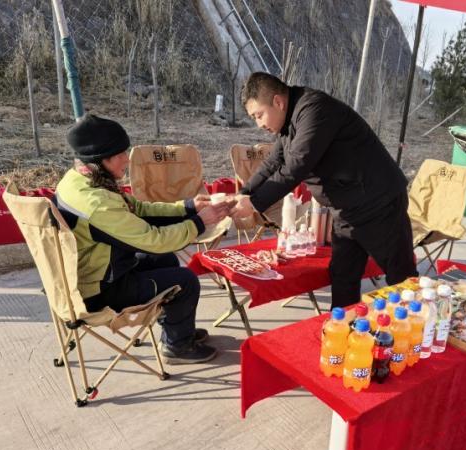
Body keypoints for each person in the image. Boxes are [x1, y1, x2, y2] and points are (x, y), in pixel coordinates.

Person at [54, 114, 235, 364]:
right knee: (186, 280)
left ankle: (176, 330)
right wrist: (200, 222)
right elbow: (154, 240)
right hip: (97, 292)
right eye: (121, 154)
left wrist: (188, 207)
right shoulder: (96, 204)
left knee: (165, 260)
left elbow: (136, 208)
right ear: (102, 159)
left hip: (91, 272)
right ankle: (177, 347)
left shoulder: (79, 179)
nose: (127, 160)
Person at [231, 72, 417, 307]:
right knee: (342, 274)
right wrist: (244, 193)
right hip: (346, 207)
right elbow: (273, 162)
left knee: (402, 279)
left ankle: (417, 326)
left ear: (277, 102)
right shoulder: (289, 121)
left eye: (259, 115)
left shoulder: (314, 109)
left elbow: (296, 166)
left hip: (377, 202)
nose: (259, 124)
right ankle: (342, 325)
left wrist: (254, 203)